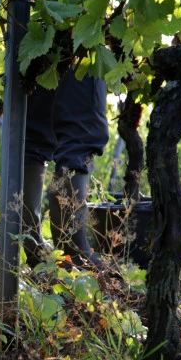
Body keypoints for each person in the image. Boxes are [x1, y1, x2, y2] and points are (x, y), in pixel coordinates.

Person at [21, 71, 109, 268]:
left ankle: (32, 247)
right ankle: (75, 256)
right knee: (81, 132)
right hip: (80, 47)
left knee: (33, 136)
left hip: (33, 47)